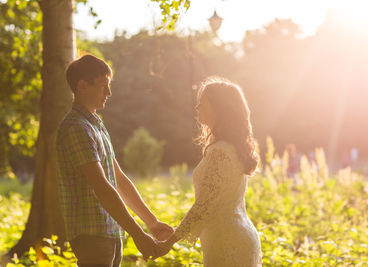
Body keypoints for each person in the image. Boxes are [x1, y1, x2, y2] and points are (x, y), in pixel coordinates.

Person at [56, 54, 172, 266]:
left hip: (110, 231)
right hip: (91, 234)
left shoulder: (95, 125)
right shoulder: (76, 129)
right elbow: (101, 186)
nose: (109, 93)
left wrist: (151, 223)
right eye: (103, 86)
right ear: (82, 86)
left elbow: (118, 179)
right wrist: (138, 234)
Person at [157, 77, 262, 266]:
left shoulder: (220, 151)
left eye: (202, 103)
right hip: (236, 236)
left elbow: (203, 206)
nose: (197, 108)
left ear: (218, 108)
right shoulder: (231, 147)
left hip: (227, 242)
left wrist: (168, 243)